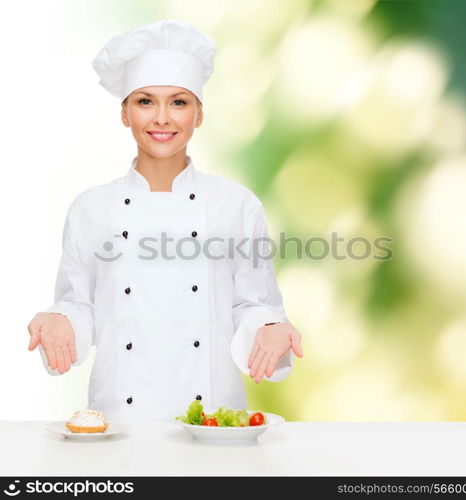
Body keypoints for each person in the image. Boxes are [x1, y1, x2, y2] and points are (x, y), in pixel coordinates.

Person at [27, 19, 303, 422]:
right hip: (118, 420)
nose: (161, 118)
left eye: (178, 102)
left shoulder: (236, 205)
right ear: (124, 113)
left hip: (212, 420)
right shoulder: (91, 209)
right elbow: (79, 304)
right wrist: (60, 319)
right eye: (144, 102)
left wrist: (269, 327)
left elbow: (252, 304)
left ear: (199, 114)